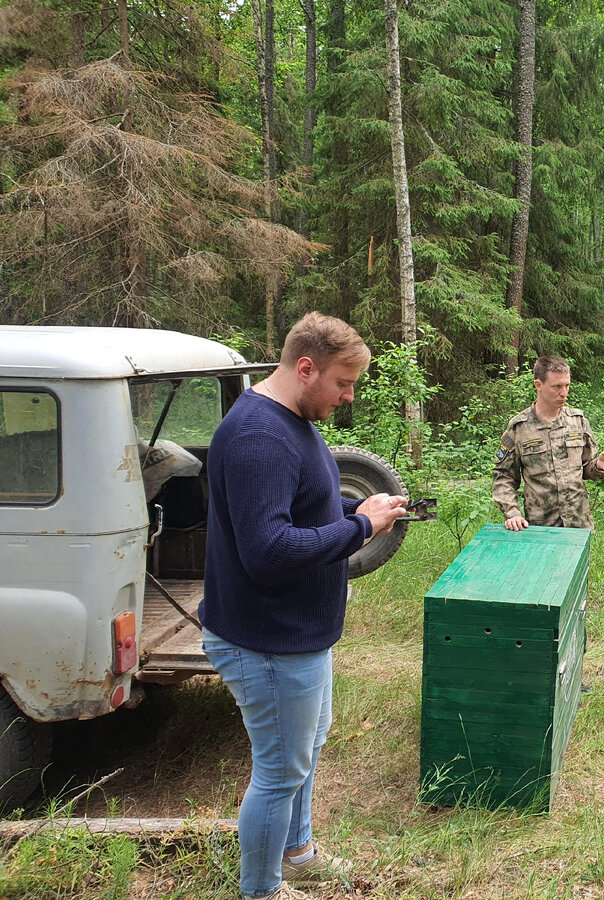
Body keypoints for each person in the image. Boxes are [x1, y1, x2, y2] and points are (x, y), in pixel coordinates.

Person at [199, 313, 409, 900]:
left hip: (298, 636)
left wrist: (358, 514)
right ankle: (262, 889)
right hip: (266, 640)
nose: (348, 396)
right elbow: (267, 552)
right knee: (278, 772)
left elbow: (301, 516)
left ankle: (297, 851)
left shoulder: (293, 419)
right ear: (305, 367)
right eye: (343, 383)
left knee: (306, 749)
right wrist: (359, 528)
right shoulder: (258, 436)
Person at [492, 355, 604, 531]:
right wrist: (512, 512)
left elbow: (586, 468)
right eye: (557, 387)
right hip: (541, 526)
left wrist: (598, 466)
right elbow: (503, 476)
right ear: (538, 385)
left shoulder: (578, 421)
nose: (564, 393)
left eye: (567, 385)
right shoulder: (519, 427)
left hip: (578, 524)